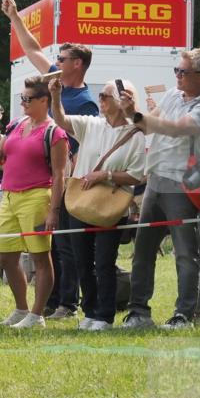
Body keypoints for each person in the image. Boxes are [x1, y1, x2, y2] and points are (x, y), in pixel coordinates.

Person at [3, 0, 98, 321]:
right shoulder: (52, 80)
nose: (55, 62)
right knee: (48, 246)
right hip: (37, 180)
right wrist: (15, 16)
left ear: (78, 65)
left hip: (65, 179)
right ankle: (50, 301)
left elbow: (79, 144)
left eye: (63, 58)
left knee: (66, 247)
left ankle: (66, 304)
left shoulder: (85, 102)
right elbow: (32, 50)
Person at [119, 48, 200, 329]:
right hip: (156, 180)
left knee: (186, 253)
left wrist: (135, 115)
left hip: (184, 185)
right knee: (144, 251)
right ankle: (139, 312)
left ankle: (185, 314)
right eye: (176, 70)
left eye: (182, 72)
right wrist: (132, 114)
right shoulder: (174, 94)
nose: (177, 76)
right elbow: (150, 126)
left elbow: (174, 128)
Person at [50, 77, 145, 330]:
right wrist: (56, 97)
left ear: (123, 101)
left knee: (104, 262)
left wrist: (106, 175)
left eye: (105, 96)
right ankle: (90, 311)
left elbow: (137, 174)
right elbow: (60, 120)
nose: (100, 100)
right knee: (82, 261)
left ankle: (105, 315)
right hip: (81, 201)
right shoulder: (92, 125)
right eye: (99, 95)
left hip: (111, 205)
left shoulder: (136, 134)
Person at [0, 77, 69, 328]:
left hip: (37, 197)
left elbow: (60, 175)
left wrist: (54, 211)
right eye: (21, 98)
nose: (22, 103)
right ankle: (21, 309)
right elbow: (1, 161)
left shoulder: (55, 133)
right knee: (7, 257)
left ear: (44, 100)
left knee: (40, 257)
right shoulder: (16, 125)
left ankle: (37, 314)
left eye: (27, 99)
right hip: (9, 195)